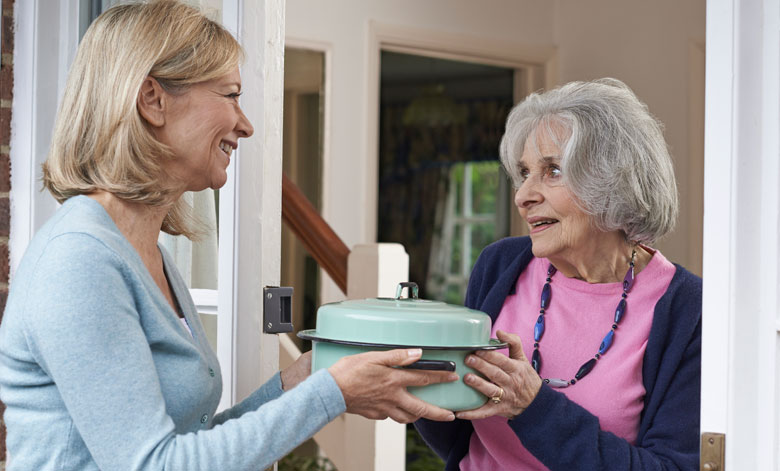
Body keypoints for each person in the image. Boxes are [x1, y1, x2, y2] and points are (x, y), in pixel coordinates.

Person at [0, 2, 457, 470]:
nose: (246, 124)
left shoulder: (147, 254)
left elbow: (188, 445)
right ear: (152, 100)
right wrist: (333, 392)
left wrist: (303, 380)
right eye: (231, 94)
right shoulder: (79, 260)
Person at [415, 78, 701, 470]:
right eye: (524, 172)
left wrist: (534, 408)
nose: (522, 195)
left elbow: (671, 467)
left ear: (612, 180)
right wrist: (419, 390)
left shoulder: (688, 311)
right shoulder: (500, 265)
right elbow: (462, 440)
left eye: (552, 171)